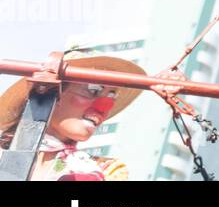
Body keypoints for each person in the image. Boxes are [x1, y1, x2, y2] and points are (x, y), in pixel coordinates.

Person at [0, 52, 142, 181]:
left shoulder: (106, 172)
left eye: (112, 96)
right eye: (93, 90)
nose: (104, 107)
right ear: (52, 93)